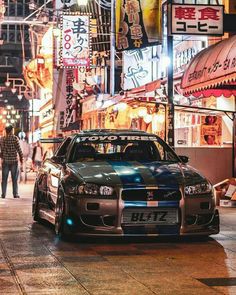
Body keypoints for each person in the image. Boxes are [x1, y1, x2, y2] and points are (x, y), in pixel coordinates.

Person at [0, 125, 23, 198]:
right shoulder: (15, 138)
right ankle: (15, 194)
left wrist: (2, 156)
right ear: (11, 131)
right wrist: (21, 158)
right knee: (14, 178)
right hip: (14, 161)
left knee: (4, 179)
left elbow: (1, 150)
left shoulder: (2, 139)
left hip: (5, 161)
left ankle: (3, 194)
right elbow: (19, 149)